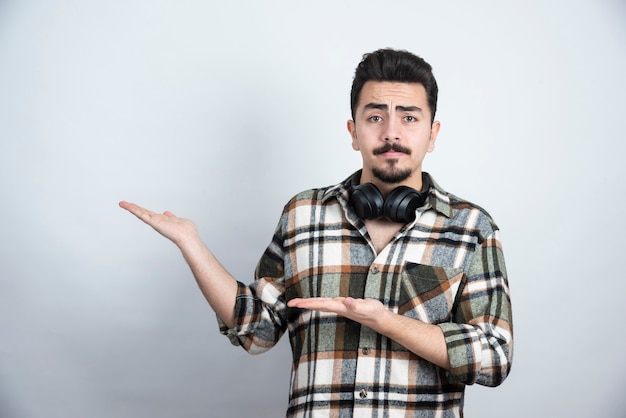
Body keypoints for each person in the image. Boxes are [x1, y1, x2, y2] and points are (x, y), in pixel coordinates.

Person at [119, 48, 513, 417]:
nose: (392, 133)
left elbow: (494, 358)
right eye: (375, 117)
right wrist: (191, 244)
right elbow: (257, 330)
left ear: (433, 133)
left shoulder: (471, 227)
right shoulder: (303, 215)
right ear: (353, 131)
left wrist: (388, 322)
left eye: (409, 117)